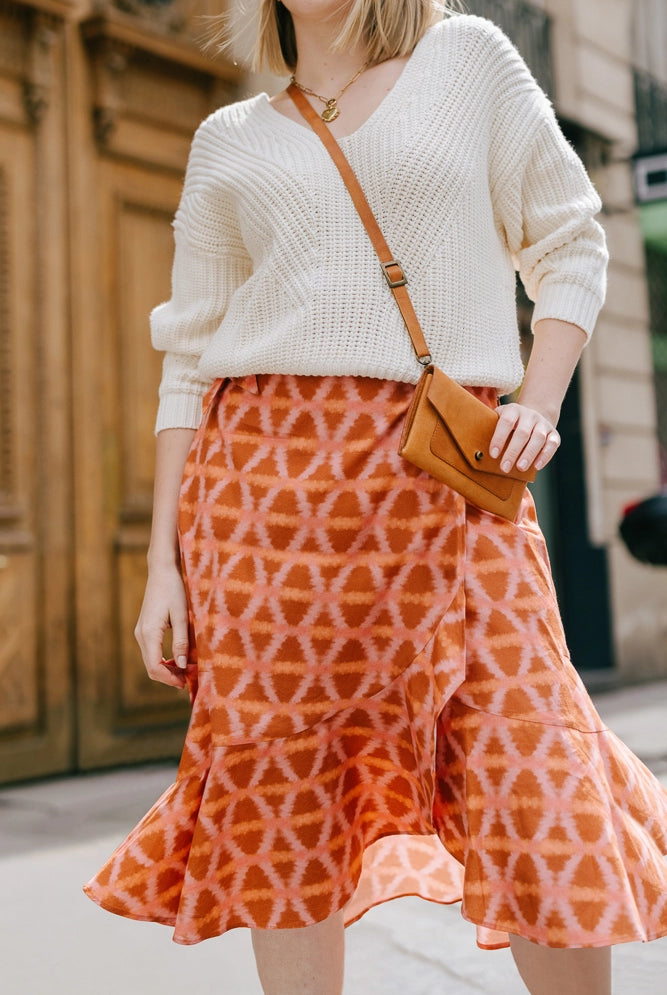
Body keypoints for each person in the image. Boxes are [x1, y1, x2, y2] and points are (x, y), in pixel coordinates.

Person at [84, 2, 667, 992]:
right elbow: (188, 357)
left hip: (446, 482)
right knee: (284, 794)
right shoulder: (228, 139)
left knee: (529, 771)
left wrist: (538, 396)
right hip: (261, 498)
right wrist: (160, 568)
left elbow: (570, 240)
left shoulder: (468, 60)